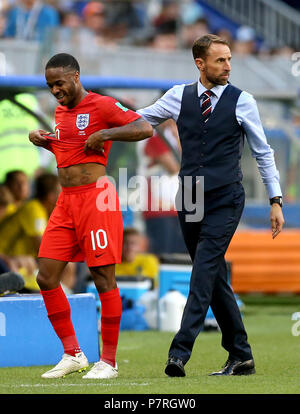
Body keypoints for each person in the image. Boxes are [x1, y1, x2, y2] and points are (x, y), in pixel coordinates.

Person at [136, 34, 284, 377]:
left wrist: (275, 199)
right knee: (214, 275)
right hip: (188, 195)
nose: (228, 66)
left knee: (203, 271)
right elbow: (139, 118)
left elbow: (263, 152)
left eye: (229, 59)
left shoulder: (243, 101)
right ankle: (241, 354)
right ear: (200, 63)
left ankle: (179, 351)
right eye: (220, 60)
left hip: (226, 197)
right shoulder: (177, 96)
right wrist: (95, 118)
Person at [28, 53, 152, 379]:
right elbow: (71, 149)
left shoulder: (102, 105)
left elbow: (145, 128)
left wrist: (108, 134)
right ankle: (73, 353)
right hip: (66, 201)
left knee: (102, 278)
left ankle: (108, 362)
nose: (55, 90)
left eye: (60, 83)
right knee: (46, 276)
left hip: (96, 199)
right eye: (50, 85)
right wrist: (46, 141)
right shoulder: (60, 112)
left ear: (77, 77)